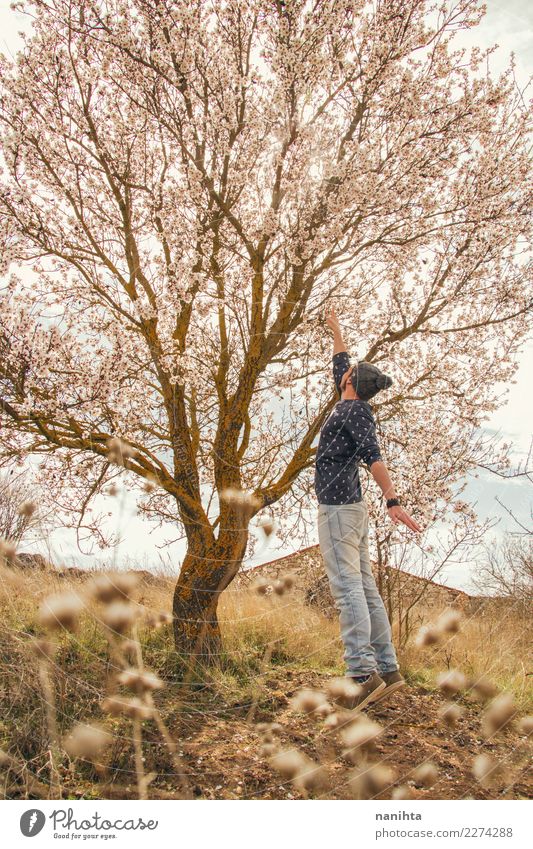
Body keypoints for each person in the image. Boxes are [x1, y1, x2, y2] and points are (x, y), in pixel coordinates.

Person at [315, 306, 422, 710]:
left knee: (348, 590)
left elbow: (372, 455)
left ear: (349, 383)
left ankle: (361, 675)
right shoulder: (350, 402)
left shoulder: (354, 410)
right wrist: (336, 327)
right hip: (351, 510)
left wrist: (392, 498)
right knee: (364, 587)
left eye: (347, 370)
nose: (343, 369)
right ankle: (388, 669)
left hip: (339, 511)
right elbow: (342, 361)